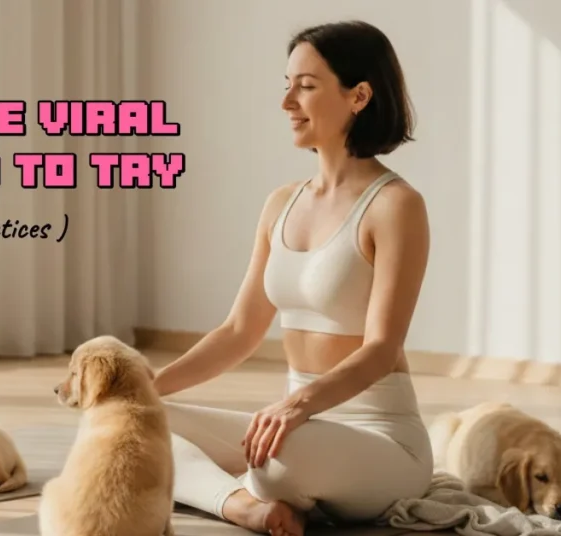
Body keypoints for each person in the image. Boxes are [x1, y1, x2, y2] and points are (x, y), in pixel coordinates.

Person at [152, 20, 433, 536]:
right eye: (287, 85)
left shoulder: (396, 206)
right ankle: (244, 507)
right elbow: (240, 330)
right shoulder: (281, 202)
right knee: (133, 425)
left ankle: (248, 491)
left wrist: (296, 405)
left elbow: (380, 346)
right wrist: (145, 389)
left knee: (278, 460)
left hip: (379, 436)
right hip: (296, 426)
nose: (287, 103)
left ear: (360, 96)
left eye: (305, 86)